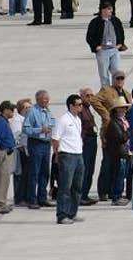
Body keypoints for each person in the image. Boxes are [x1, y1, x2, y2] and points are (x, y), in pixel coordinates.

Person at [51, 92, 88, 223]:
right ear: (71, 106)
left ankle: (72, 212)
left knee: (77, 187)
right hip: (67, 155)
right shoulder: (63, 120)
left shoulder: (78, 119)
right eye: (78, 105)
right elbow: (55, 138)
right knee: (65, 187)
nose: (80, 107)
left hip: (78, 155)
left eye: (81, 104)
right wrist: (57, 154)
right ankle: (62, 215)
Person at [87, 2, 126, 87]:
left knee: (116, 73)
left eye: (111, 9)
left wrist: (120, 44)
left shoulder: (115, 20)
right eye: (108, 9)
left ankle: (116, 91)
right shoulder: (95, 22)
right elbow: (89, 36)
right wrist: (96, 47)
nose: (110, 11)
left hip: (114, 50)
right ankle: (106, 93)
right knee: (104, 75)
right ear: (102, 10)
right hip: (103, 51)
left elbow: (121, 33)